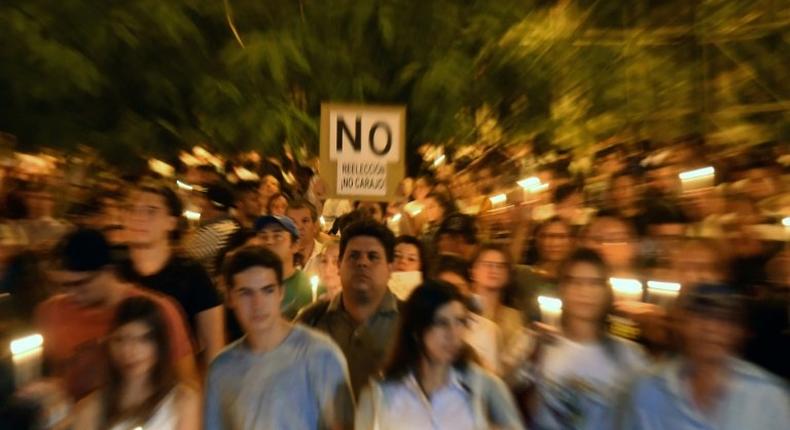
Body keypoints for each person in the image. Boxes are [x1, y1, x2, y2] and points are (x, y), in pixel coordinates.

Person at [35, 228, 196, 400]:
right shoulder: (52, 311)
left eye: (80, 283)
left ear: (108, 271)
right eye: (64, 286)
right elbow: (54, 377)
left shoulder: (156, 310)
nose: (71, 294)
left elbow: (187, 385)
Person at [204, 246, 354, 429]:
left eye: (267, 290)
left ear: (280, 293)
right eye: (246, 293)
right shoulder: (222, 368)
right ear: (229, 297)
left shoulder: (320, 355)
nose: (257, 304)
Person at [355, 280, 525, 430]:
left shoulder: (484, 387)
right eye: (441, 323)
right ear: (416, 330)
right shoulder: (381, 393)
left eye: (460, 322)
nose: (453, 334)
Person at [621, 283, 789, 429]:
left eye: (724, 319)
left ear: (740, 332)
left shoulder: (769, 397)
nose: (711, 329)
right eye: (701, 317)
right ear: (680, 325)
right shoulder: (647, 389)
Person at [522, 248, 647, 429]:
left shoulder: (630, 355)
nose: (585, 291)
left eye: (594, 283)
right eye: (576, 282)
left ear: (607, 291)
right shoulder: (540, 344)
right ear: (562, 289)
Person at [122, 184, 225, 364]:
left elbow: (213, 347)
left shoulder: (192, 275)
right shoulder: (115, 272)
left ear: (171, 222)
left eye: (151, 211)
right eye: (132, 209)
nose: (139, 218)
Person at [296, 219, 400, 396]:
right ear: (339, 266)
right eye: (354, 256)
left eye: (373, 257)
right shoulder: (310, 320)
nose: (363, 263)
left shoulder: (414, 322)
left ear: (390, 268)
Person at [70, 297, 200, 430]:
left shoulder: (182, 401)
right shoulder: (91, 407)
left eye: (143, 340)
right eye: (120, 340)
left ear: (160, 344)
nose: (129, 351)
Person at [470, 244, 528, 377]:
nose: (494, 269)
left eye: (501, 266)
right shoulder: (463, 309)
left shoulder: (514, 316)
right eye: (487, 264)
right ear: (473, 271)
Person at [253, 214, 312, 319]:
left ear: (295, 245)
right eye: (263, 237)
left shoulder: (306, 287)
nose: (269, 242)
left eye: (277, 236)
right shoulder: (251, 283)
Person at [185, 182, 241, 275]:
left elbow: (184, 255)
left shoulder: (214, 231)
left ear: (210, 204)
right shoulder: (232, 226)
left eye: (203, 198)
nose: (199, 204)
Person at [286, 199, 323, 277]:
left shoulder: (325, 254)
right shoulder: (281, 258)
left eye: (305, 221)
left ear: (315, 226)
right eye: (293, 222)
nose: (298, 227)